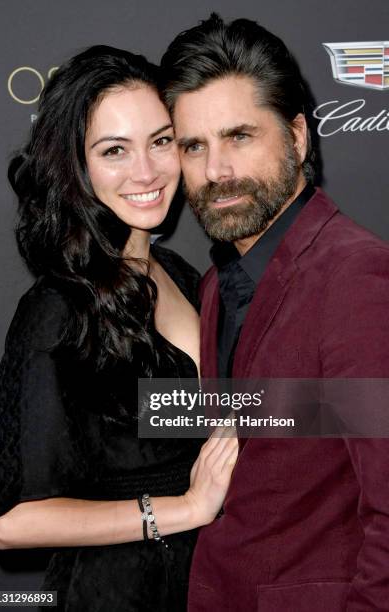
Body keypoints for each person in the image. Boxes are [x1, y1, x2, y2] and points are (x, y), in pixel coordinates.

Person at [0, 45, 238, 612]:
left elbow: (209, 414)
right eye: (114, 150)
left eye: (161, 140)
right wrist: (186, 510)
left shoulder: (177, 273)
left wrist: (348, 407)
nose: (145, 172)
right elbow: (13, 522)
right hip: (118, 591)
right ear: (77, 164)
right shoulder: (58, 306)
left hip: (204, 580)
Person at [160, 14, 389, 611]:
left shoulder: (355, 278)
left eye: (240, 136)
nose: (217, 171)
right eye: (194, 146)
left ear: (297, 137)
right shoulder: (214, 285)